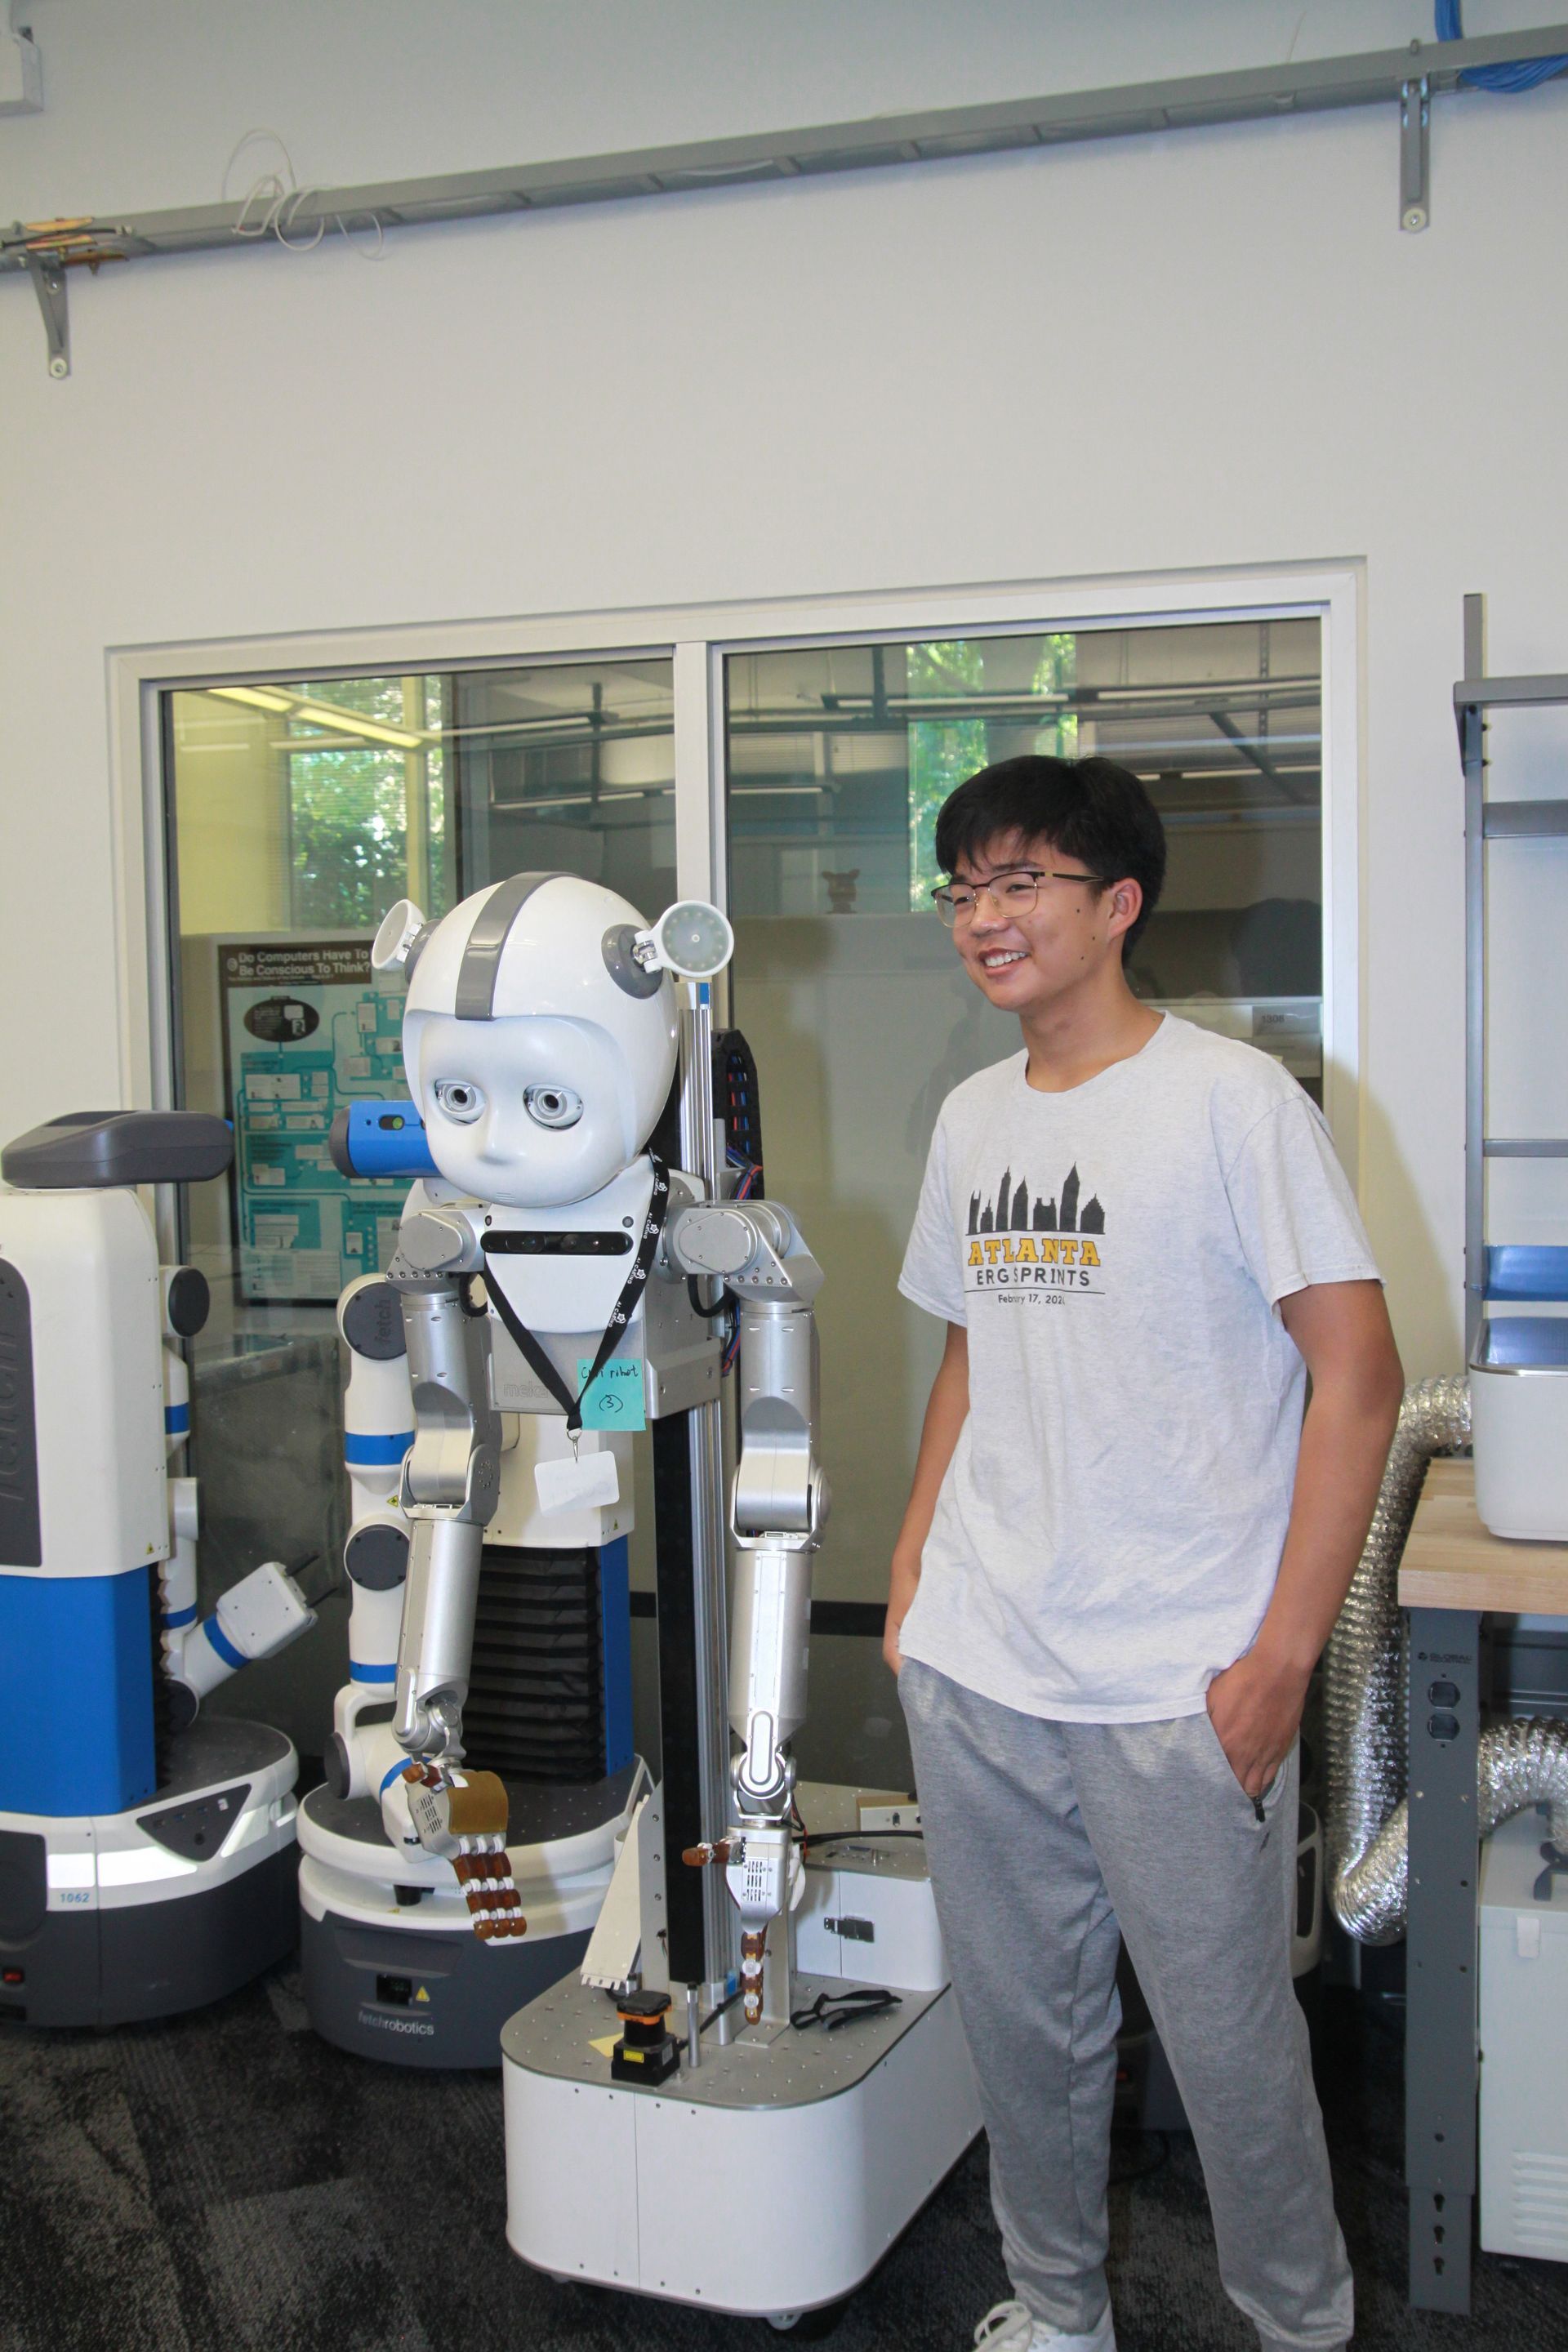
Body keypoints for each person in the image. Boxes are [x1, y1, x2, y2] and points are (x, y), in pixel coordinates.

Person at [885, 754, 1403, 2352]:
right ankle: (1055, 2309)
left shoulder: (1234, 1103)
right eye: (966, 888)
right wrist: (912, 1584)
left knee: (1233, 2042)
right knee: (1024, 2030)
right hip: (985, 1658)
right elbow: (969, 1357)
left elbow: (1362, 1378)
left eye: (1019, 881)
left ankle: (1299, 2324)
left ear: (1118, 904)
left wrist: (1279, 1664)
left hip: (1181, 1678)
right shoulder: (972, 1118)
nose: (985, 916)